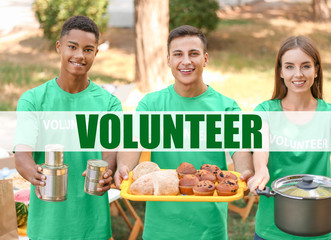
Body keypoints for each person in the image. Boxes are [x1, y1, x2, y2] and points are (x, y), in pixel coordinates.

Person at [114, 25, 254, 240]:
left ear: (205, 59)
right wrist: (123, 167)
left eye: (194, 54)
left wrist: (245, 173)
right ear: (169, 60)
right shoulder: (152, 104)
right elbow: (132, 143)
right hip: (161, 227)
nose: (186, 61)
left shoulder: (226, 107)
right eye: (178, 54)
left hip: (210, 228)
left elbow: (241, 150)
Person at [14, 16, 122, 240]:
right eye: (72, 47)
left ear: (95, 53)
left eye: (88, 49)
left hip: (93, 224)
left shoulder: (109, 103)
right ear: (59, 47)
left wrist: (105, 173)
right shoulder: (33, 100)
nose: (80, 55)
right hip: (47, 225)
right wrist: (35, 174)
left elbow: (110, 153)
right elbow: (22, 154)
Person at [247, 35, 331, 240]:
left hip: (318, 228)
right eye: (289, 66)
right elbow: (260, 150)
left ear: (316, 70)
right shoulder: (264, 110)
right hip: (271, 230)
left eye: (305, 66)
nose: (297, 74)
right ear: (280, 72)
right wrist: (261, 170)